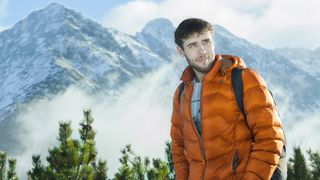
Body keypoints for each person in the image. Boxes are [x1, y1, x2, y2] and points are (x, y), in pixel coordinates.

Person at [170, 18, 285, 179]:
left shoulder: (244, 79)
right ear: (180, 51)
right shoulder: (181, 93)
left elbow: (270, 138)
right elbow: (179, 147)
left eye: (206, 41)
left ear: (213, 43)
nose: (202, 50)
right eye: (193, 45)